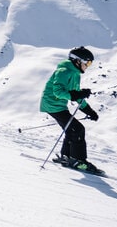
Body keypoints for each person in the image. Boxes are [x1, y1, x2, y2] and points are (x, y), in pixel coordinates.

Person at [39, 46, 102, 174]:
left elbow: (76, 95)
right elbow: (58, 92)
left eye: (90, 63)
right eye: (87, 62)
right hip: (52, 104)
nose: (88, 66)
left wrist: (89, 111)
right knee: (78, 129)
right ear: (77, 61)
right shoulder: (63, 71)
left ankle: (66, 157)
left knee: (71, 130)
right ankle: (78, 161)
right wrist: (76, 95)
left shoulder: (75, 74)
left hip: (58, 106)